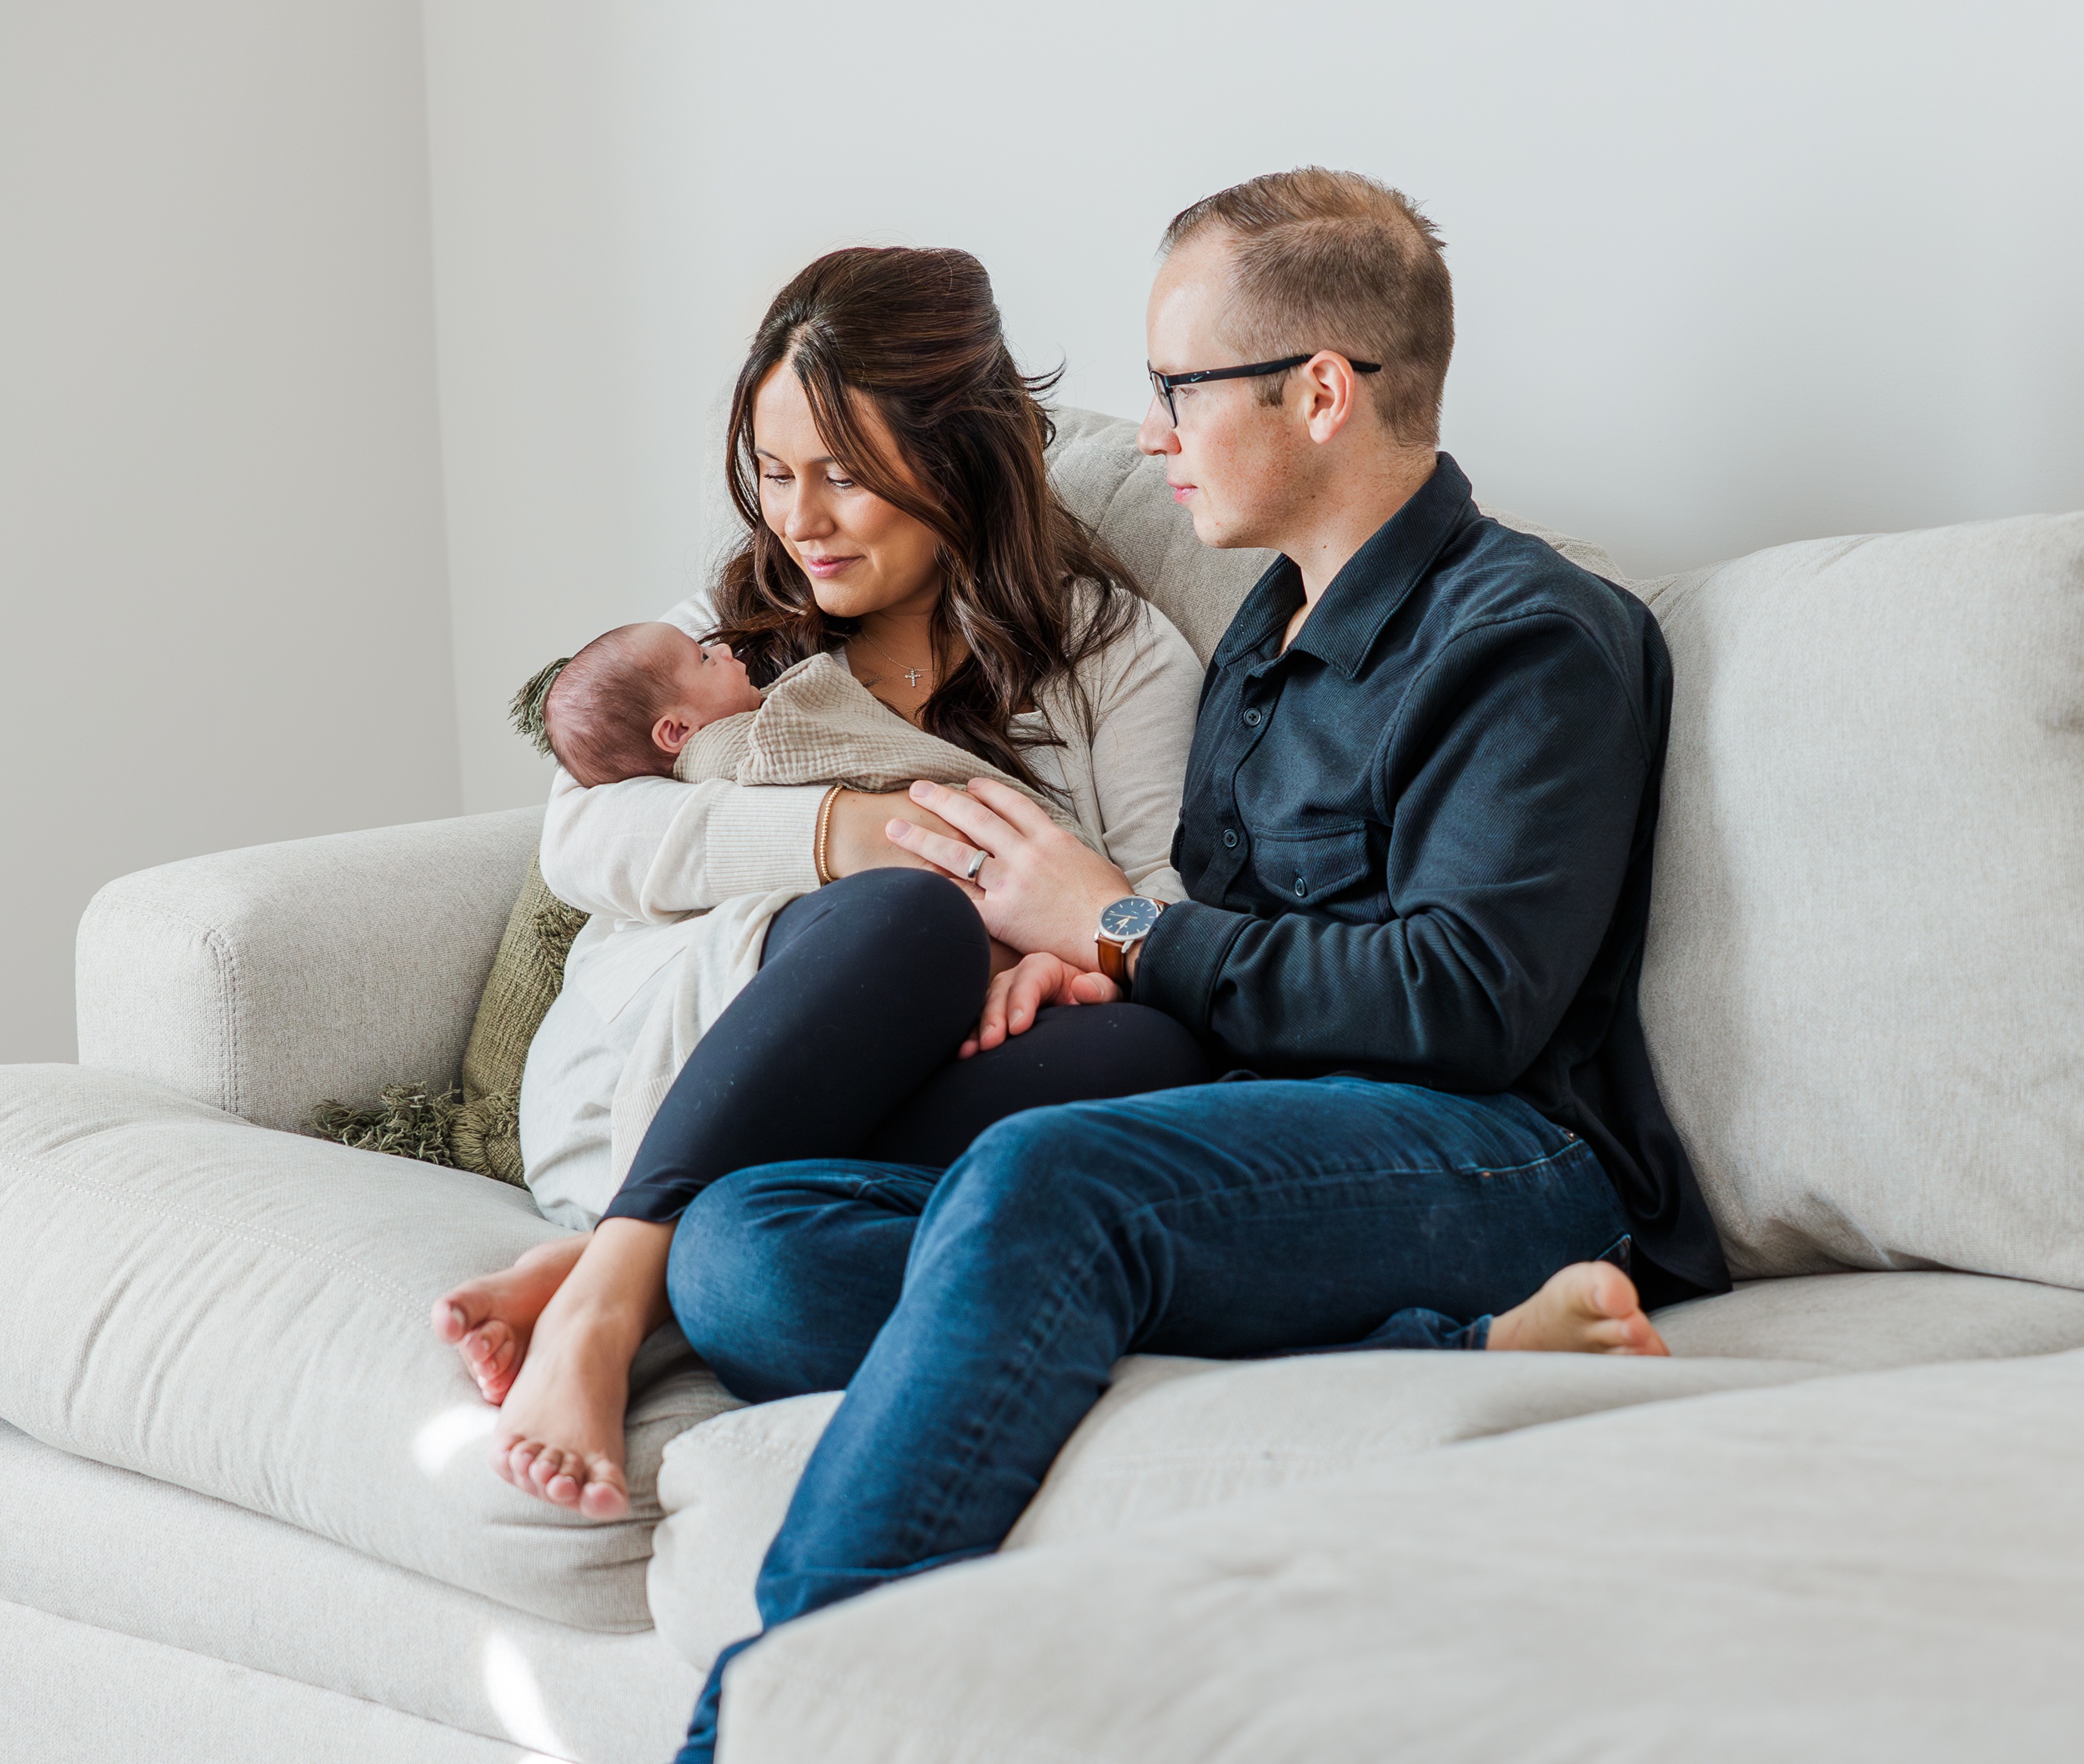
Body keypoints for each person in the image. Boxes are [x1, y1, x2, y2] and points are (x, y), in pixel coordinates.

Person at [667, 168, 1734, 1761]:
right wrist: (1092, 973)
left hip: (1507, 1152)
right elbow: (1204, 938)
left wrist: (1120, 931)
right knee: (749, 1241)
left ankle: (762, 1723)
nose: (1149, 430)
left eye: (1177, 386)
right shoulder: (1262, 639)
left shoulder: (1534, 634)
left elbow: (1463, 1004)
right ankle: (1427, 1354)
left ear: (1318, 392)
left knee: (1043, 1185)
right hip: (1254, 1143)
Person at [430, 245, 1210, 1516]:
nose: (798, 520)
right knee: (909, 918)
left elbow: (1165, 896)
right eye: (778, 475)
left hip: (923, 1085)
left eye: (842, 477)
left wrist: (1085, 951)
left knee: (1161, 1058)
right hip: (690, 1072)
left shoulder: (1111, 653)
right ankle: (615, 1288)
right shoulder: (726, 638)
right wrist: (842, 834)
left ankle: (643, 1265)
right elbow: (584, 842)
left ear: (963, 458)